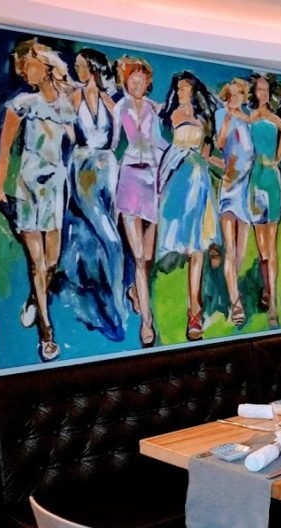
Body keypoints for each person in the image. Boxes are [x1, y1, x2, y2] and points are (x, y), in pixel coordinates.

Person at [0, 39, 75, 361]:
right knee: (37, 263)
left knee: (52, 261)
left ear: (45, 66)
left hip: (56, 186)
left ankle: (33, 299)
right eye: (23, 69)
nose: (25, 73)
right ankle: (46, 332)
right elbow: (4, 149)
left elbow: (73, 141)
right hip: (28, 184)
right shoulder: (22, 103)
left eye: (29, 66)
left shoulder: (66, 105)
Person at [56, 48, 129, 342]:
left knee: (100, 232)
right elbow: (70, 135)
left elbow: (117, 135)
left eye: (83, 66)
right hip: (83, 165)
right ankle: (117, 305)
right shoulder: (74, 97)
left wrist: (109, 157)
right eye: (77, 66)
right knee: (110, 238)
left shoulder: (109, 100)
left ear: (95, 69)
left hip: (106, 166)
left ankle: (104, 295)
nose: (79, 70)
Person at [156, 71, 220, 341]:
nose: (181, 91)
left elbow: (206, 152)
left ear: (193, 91)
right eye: (178, 88)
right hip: (178, 180)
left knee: (197, 247)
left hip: (199, 181)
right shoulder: (171, 115)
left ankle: (195, 311)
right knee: (176, 240)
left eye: (185, 88)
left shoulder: (204, 119)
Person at [111, 56, 166, 346]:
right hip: (130, 177)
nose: (136, 84)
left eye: (141, 80)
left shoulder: (154, 109)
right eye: (132, 79)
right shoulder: (120, 107)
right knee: (140, 258)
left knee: (148, 257)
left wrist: (180, 152)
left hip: (152, 180)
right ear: (126, 82)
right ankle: (147, 321)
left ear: (147, 83)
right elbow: (113, 142)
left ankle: (135, 290)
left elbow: (159, 141)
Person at [247, 73, 281, 327]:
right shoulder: (249, 117)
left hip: (271, 179)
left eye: (266, 90)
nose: (263, 93)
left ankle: (273, 303)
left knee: (271, 246)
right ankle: (267, 287)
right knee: (262, 247)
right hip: (255, 179)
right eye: (259, 89)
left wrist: (278, 157)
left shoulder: (274, 119)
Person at [214, 78, 255, 328]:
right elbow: (220, 144)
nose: (235, 98)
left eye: (239, 94)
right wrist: (229, 120)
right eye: (232, 94)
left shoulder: (248, 117)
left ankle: (232, 286)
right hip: (230, 185)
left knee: (241, 250)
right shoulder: (222, 114)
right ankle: (235, 301)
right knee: (230, 249)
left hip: (246, 187)